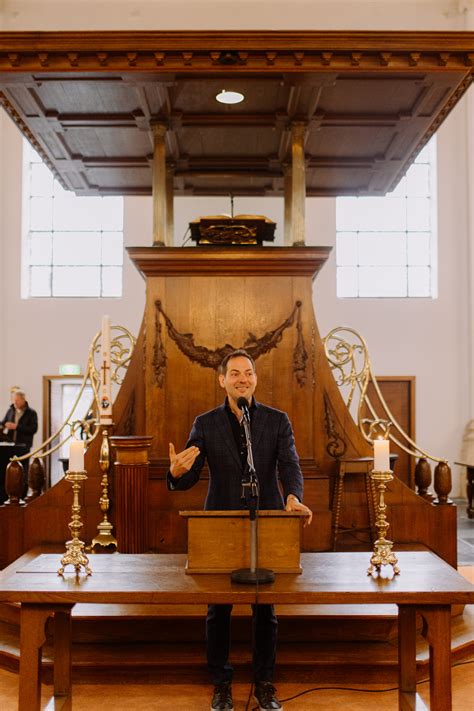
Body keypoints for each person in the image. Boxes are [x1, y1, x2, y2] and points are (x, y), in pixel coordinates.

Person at [167, 349, 312, 711]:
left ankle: (264, 682)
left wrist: (293, 497)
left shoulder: (277, 421)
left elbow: (289, 464)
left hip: (269, 521)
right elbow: (190, 473)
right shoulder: (206, 423)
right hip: (219, 524)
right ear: (222, 380)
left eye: (248, 373)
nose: (242, 379)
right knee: (219, 609)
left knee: (266, 610)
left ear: (255, 379)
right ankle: (222, 683)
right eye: (234, 374)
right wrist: (175, 474)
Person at [1, 389, 38, 491]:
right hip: (9, 446)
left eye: (17, 400)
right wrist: (4, 425)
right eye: (14, 400)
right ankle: (8, 491)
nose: (15, 402)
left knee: (22, 470)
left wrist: (17, 427)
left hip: (23, 446)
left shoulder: (31, 413)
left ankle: (22, 491)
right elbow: (3, 422)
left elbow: (33, 429)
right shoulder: (10, 410)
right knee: (8, 469)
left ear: (23, 400)